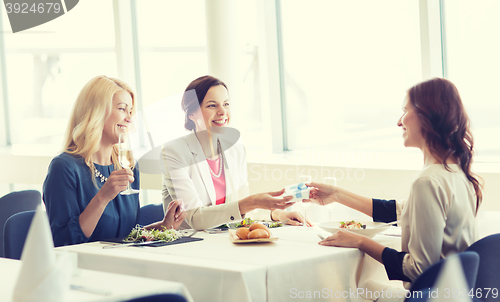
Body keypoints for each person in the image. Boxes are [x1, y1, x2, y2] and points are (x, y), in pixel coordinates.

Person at [307, 78, 482, 288]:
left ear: (427, 115)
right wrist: (336, 194)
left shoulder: (427, 181)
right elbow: (402, 212)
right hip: (458, 293)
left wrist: (361, 241)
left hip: (431, 297)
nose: (399, 122)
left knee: (357, 290)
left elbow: (418, 269)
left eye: (405, 111)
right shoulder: (455, 173)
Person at [43, 75, 186, 247]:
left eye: (130, 111)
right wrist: (103, 197)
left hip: (121, 263)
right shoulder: (64, 168)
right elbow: (63, 241)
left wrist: (163, 226)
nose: (129, 118)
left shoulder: (128, 166)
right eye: (122, 109)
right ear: (96, 112)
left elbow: (126, 237)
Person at [161, 75, 310, 230]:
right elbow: (195, 219)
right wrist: (252, 202)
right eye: (212, 105)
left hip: (226, 240)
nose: (222, 112)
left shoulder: (235, 150)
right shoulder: (174, 153)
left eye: (226, 104)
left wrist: (276, 215)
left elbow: (240, 211)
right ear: (191, 114)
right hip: (188, 245)